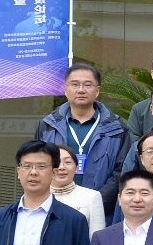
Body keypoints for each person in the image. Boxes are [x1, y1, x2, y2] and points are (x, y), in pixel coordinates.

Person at [36, 63, 130, 214]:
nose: (81, 90)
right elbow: (38, 165)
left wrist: (96, 203)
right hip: (54, 208)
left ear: (97, 91)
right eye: (75, 84)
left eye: (87, 85)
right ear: (65, 89)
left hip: (102, 210)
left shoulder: (117, 127)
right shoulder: (48, 125)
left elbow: (122, 170)